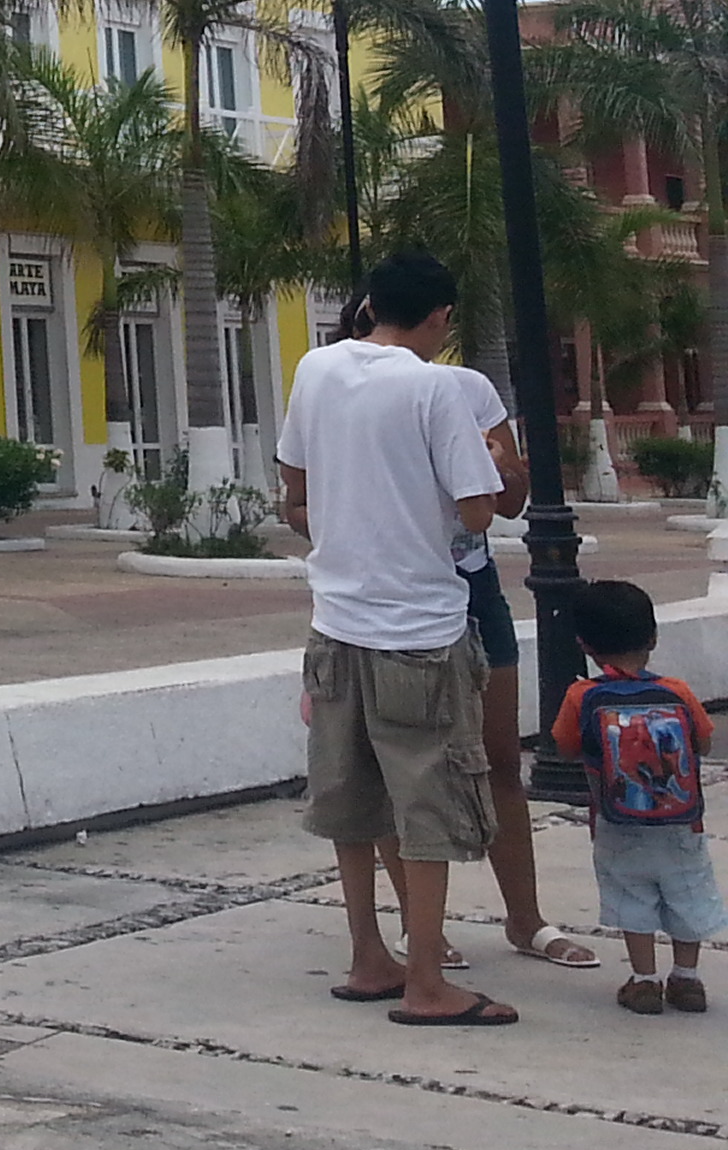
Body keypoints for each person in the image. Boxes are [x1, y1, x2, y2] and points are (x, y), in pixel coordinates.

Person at [276, 251, 512, 1025]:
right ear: (441, 317)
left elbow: (295, 489)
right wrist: (490, 460)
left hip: (335, 620)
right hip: (419, 626)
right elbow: (478, 510)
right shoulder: (435, 387)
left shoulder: (314, 368)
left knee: (350, 798)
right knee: (427, 806)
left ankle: (368, 956)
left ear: (370, 304)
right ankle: (428, 981)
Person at [348, 295, 601, 974]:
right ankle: (421, 927)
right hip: (394, 592)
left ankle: (527, 919)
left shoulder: (465, 387)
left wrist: (495, 463)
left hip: (471, 586)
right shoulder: (344, 392)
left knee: (498, 759)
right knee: (402, 768)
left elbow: (510, 501)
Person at [552, 577, 724, 1015]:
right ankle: (686, 978)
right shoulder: (678, 691)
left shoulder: (582, 695)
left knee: (632, 895)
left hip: (616, 822)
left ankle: (644, 981)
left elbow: (566, 746)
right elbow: (704, 742)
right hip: (682, 822)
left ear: (584, 644)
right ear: (653, 638)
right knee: (686, 892)